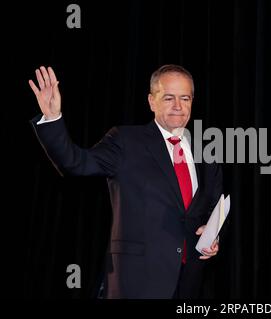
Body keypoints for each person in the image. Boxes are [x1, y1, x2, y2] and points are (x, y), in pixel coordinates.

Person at [29, 64, 222, 299]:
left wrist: (212, 236)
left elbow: (212, 204)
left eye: (185, 98)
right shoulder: (125, 141)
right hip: (136, 281)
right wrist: (52, 118)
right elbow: (75, 163)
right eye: (169, 98)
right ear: (152, 101)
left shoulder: (205, 152)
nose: (178, 106)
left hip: (188, 281)